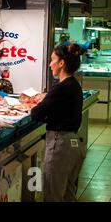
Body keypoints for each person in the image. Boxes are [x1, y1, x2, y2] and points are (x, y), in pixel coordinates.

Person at [31, 43, 86, 202]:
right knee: (68, 193)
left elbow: (36, 114)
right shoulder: (74, 85)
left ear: (61, 63)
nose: (50, 64)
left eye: (52, 60)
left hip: (60, 145)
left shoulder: (62, 87)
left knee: (53, 194)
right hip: (74, 144)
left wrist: (40, 103)